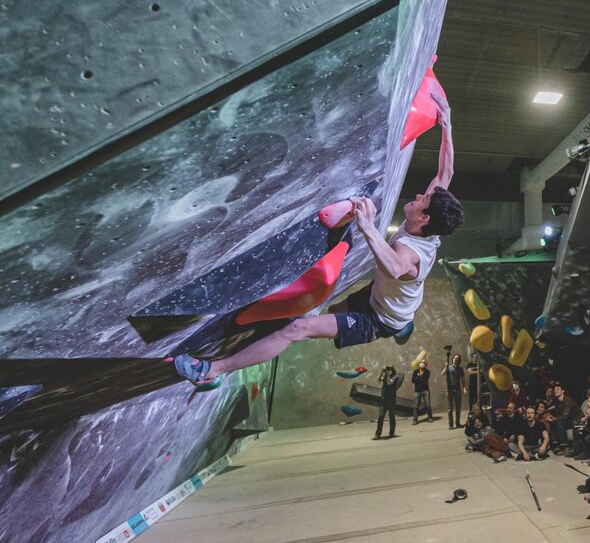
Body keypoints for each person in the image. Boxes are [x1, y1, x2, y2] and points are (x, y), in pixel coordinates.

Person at [171, 94, 463, 387]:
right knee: (320, 315)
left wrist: (366, 225)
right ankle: (256, 347)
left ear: (424, 218)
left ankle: (212, 371)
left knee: (297, 329)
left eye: (422, 200)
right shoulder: (429, 227)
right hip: (379, 298)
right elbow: (446, 173)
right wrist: (447, 124)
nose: (418, 196)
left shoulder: (410, 253)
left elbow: (396, 268)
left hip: (379, 320)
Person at [373, 365, 403, 440]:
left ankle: (391, 433)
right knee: (380, 417)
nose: (388, 370)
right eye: (387, 369)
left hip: (391, 401)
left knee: (392, 417)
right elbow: (378, 380)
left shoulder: (396, 376)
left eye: (389, 369)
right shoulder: (385, 375)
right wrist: (382, 372)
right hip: (383, 400)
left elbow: (389, 382)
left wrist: (388, 374)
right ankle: (377, 434)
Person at [445, 353, 466, 429]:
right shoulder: (449, 367)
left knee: (458, 407)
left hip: (457, 389)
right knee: (450, 408)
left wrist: (464, 388)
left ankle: (457, 423)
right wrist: (445, 367)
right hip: (449, 389)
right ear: (452, 359)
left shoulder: (460, 369)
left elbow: (462, 379)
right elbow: (442, 374)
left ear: (459, 360)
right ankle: (450, 424)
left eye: (457, 358)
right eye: (454, 358)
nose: (455, 359)